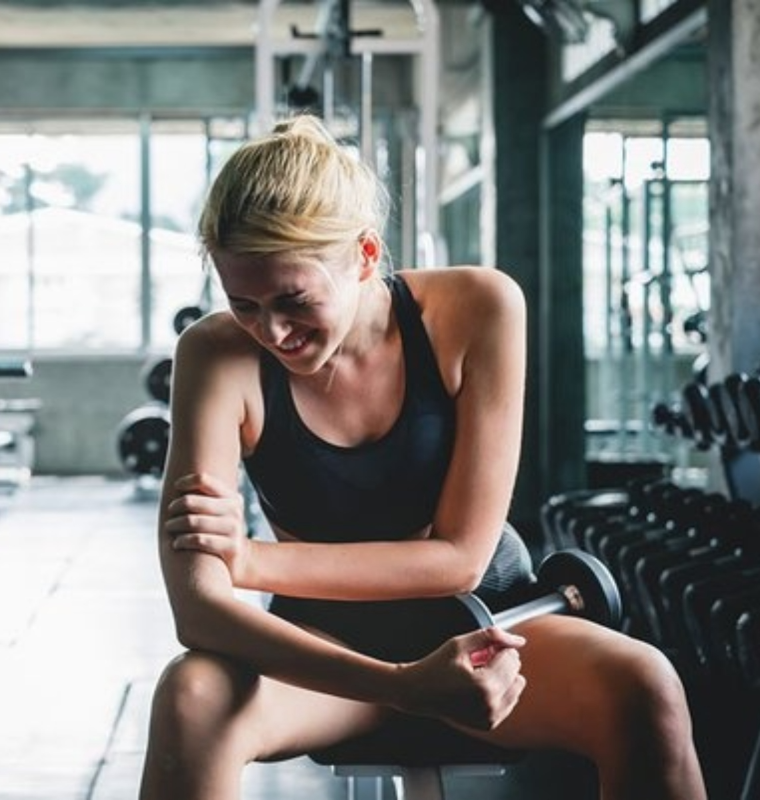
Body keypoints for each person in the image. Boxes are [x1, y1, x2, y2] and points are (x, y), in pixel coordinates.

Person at [138, 116, 706, 800]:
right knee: (189, 695)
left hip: (486, 624)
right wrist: (405, 687)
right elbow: (197, 610)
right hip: (324, 646)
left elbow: (460, 555)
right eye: (245, 305)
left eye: (293, 301)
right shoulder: (215, 352)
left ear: (367, 255)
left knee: (645, 686)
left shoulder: (479, 307)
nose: (274, 332)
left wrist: (250, 558)